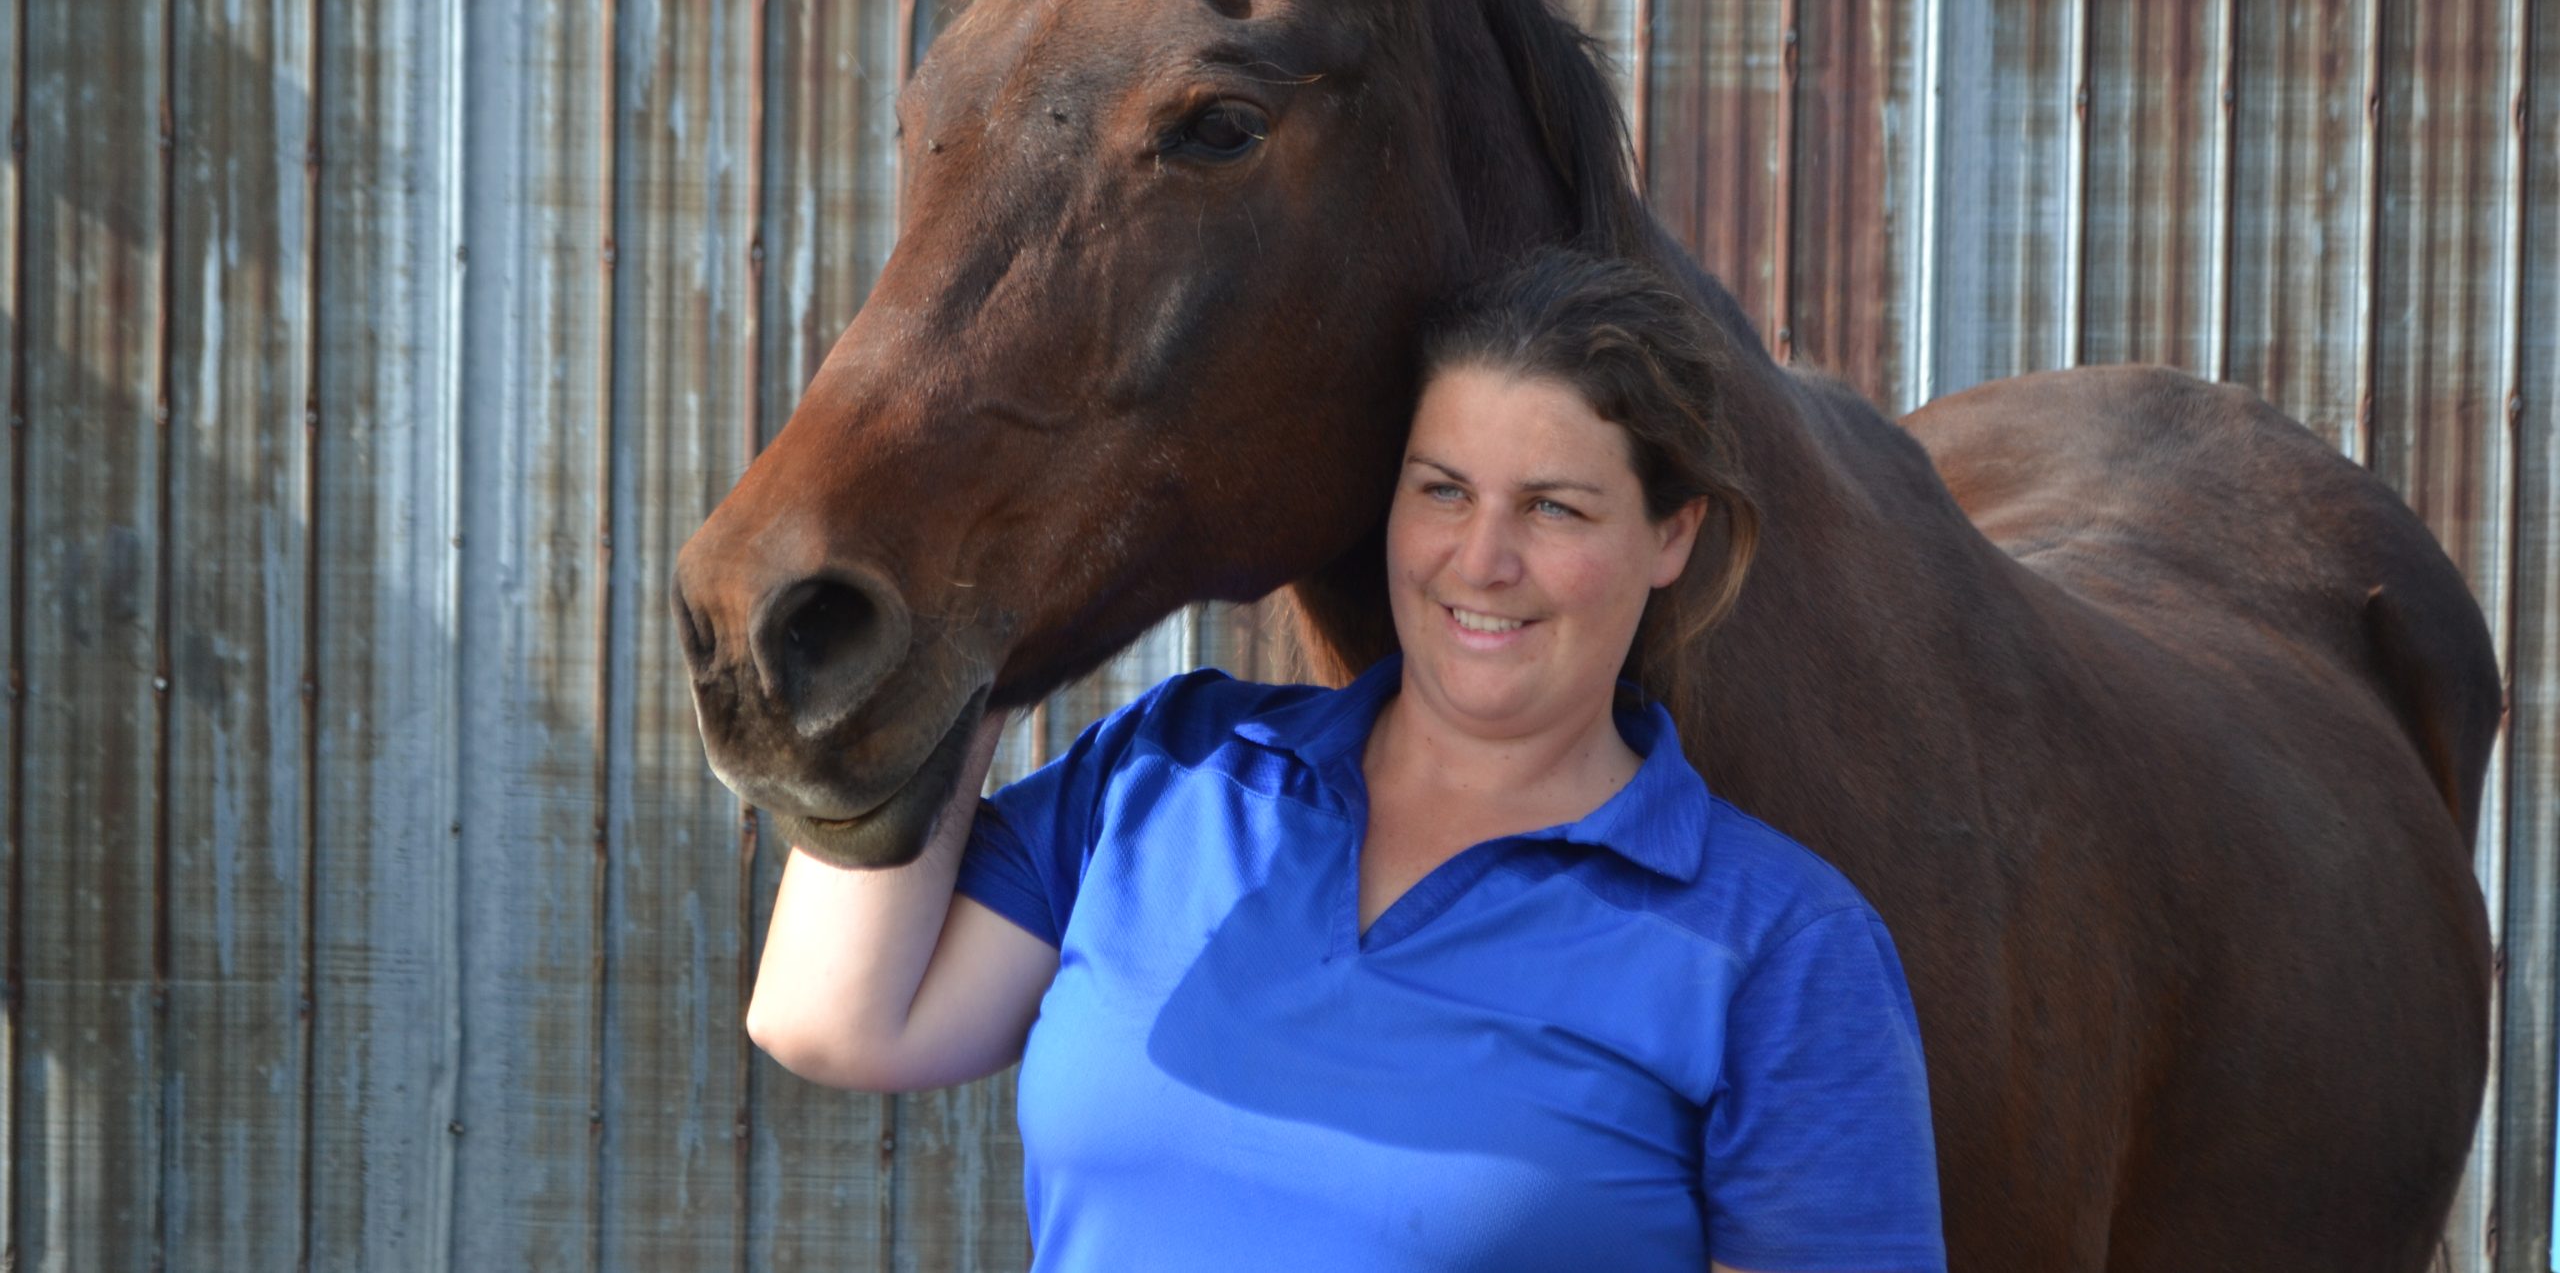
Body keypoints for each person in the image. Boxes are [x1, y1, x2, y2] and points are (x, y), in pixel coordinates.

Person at [747, 249, 1946, 1272]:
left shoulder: (1780, 949)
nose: (1480, 560)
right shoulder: (1169, 775)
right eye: (1442, 491)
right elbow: (831, 1017)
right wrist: (968, 630)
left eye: (1554, 509)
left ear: (1671, 533)